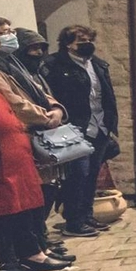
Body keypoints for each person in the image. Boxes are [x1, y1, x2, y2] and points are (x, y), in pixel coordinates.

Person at [0, 23, 71, 263]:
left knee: (42, 194)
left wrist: (56, 109)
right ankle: (30, 254)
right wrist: (45, 117)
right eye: (2, 33)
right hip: (24, 135)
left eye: (11, 31)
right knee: (20, 203)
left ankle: (39, 245)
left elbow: (38, 88)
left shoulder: (14, 62)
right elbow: (15, 102)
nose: (10, 37)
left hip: (35, 133)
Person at [39, 24, 118, 239]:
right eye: (81, 41)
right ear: (67, 43)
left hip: (99, 126)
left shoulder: (98, 65)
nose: (87, 45)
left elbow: (105, 95)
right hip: (74, 127)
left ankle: (86, 215)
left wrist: (110, 124)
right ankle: (73, 221)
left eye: (89, 40)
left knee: (92, 173)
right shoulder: (54, 65)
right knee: (77, 174)